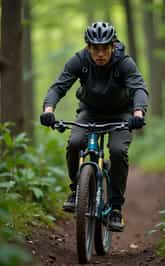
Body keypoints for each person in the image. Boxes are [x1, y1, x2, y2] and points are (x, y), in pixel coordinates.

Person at [40, 21, 148, 232]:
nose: (100, 54)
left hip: (122, 114)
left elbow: (138, 88)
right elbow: (58, 86)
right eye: (95, 49)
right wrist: (49, 110)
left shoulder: (124, 62)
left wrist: (138, 112)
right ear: (88, 47)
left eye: (104, 48)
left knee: (117, 151)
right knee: (74, 143)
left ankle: (115, 208)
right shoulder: (79, 60)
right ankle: (76, 191)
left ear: (113, 46)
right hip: (90, 111)